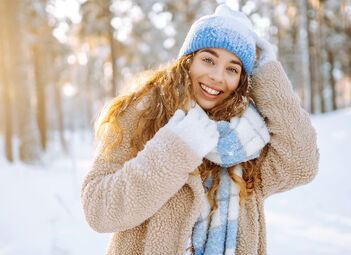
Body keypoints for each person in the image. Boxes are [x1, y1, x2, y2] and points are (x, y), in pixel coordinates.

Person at [81, 4, 319, 255]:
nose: (217, 76)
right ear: (188, 61)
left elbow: (301, 163)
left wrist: (267, 71)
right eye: (208, 60)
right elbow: (98, 210)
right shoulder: (143, 114)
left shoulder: (247, 140)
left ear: (242, 81)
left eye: (232, 69)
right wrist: (173, 151)